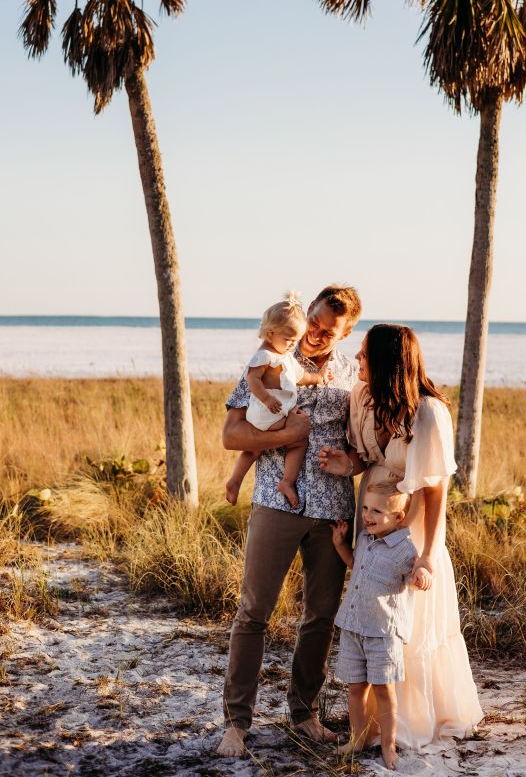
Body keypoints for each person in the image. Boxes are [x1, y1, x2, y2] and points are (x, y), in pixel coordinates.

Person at [320, 324, 484, 749]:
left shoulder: (428, 412)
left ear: (388, 363)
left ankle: (410, 719)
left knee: (403, 617)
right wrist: (347, 464)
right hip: (371, 512)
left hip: (410, 524)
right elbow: (365, 457)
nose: (356, 361)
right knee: (373, 611)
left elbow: (435, 492)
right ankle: (371, 718)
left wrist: (427, 555)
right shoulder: (362, 398)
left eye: (363, 355)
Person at [217, 284, 362, 760]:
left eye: (328, 330)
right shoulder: (272, 355)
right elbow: (232, 433)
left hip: (332, 510)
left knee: (320, 616)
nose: (316, 335)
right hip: (275, 502)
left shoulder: (353, 375)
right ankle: (237, 723)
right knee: (254, 612)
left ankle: (304, 714)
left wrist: (354, 461)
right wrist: (288, 432)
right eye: (315, 322)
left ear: (347, 332)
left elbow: (367, 443)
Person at [332, 481, 429, 770]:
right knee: (355, 689)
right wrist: (340, 544)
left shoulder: (404, 550)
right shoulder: (363, 538)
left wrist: (421, 576)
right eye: (365, 508)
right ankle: (357, 738)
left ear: (398, 517)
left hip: (383, 634)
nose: (367, 515)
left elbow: (415, 575)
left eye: (376, 511)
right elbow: (355, 564)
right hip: (353, 627)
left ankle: (388, 746)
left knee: (384, 691)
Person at [225, 292, 331, 509]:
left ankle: (234, 482)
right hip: (268, 411)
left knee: (253, 450)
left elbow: (302, 377)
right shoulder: (265, 355)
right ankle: (287, 481)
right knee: (299, 439)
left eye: (295, 340)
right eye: (288, 339)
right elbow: (252, 379)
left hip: (268, 415)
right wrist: (267, 398)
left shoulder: (284, 357)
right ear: (270, 333)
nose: (292, 344)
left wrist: (319, 377)